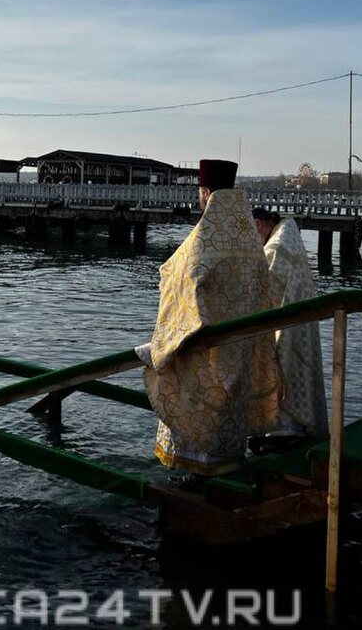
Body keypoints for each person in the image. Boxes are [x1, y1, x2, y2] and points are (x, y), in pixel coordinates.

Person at [137, 159, 281, 478]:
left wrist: (166, 342)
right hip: (240, 347)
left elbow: (182, 279)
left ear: (205, 191)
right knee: (228, 418)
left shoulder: (207, 239)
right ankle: (225, 468)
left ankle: (198, 478)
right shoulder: (247, 239)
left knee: (199, 416)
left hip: (206, 349)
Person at [253, 208, 329, 439]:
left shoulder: (276, 246)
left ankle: (284, 431)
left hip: (288, 327)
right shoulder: (286, 232)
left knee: (283, 372)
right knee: (295, 374)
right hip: (299, 323)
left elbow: (264, 286)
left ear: (258, 224)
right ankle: (289, 429)